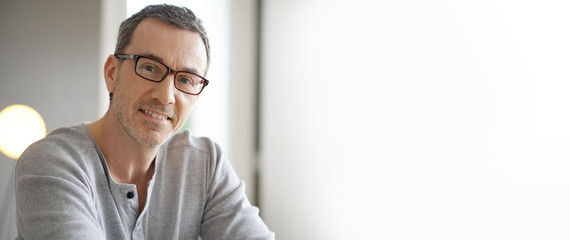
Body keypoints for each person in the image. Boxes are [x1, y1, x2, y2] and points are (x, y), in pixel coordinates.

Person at [14, 4, 274, 240]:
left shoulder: (205, 164)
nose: (166, 96)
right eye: (149, 67)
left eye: (185, 80)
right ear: (112, 73)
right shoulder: (51, 162)